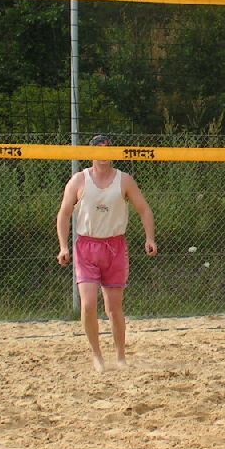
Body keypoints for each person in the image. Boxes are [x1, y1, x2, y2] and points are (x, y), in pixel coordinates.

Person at [56, 134, 158, 372]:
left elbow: (144, 209)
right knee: (88, 304)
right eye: (99, 149)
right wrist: (63, 246)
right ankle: (97, 356)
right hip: (87, 247)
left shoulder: (124, 180)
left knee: (114, 308)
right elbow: (64, 213)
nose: (104, 153)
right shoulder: (79, 180)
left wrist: (150, 238)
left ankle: (120, 356)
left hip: (115, 247)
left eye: (108, 148)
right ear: (91, 152)